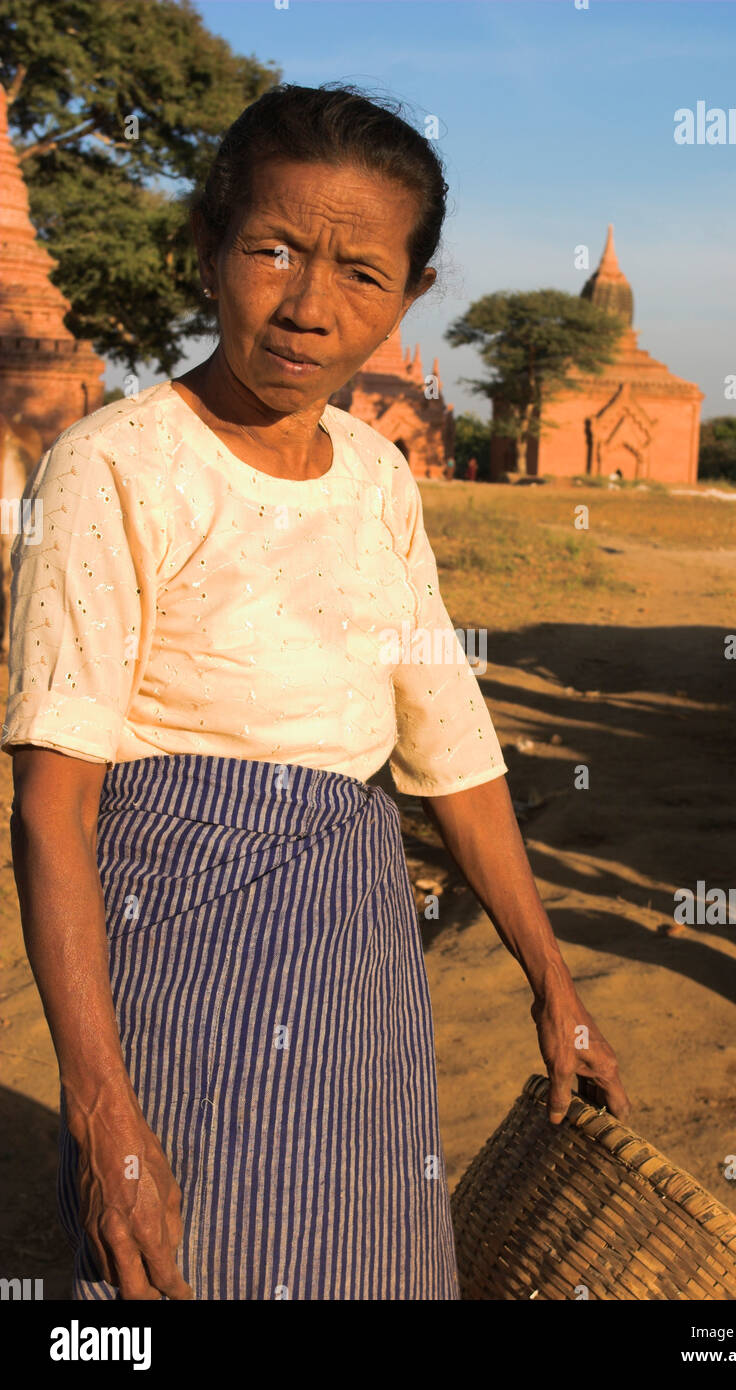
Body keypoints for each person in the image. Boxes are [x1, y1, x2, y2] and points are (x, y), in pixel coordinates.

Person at [3, 82, 629, 1303]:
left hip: (355, 949)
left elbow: (448, 743)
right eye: (273, 250)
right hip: (177, 955)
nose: (307, 308)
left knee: (372, 1261)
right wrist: (102, 1118)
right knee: (183, 1271)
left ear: (409, 298)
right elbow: (52, 813)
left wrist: (556, 984)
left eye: (360, 272)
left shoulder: (377, 480)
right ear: (207, 249)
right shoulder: (116, 467)